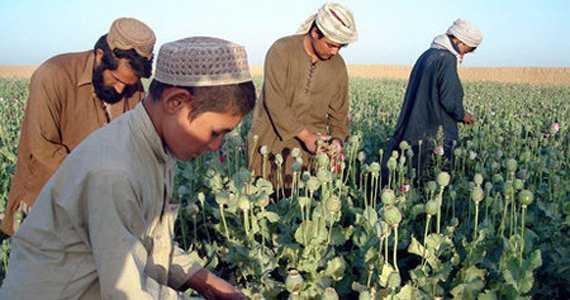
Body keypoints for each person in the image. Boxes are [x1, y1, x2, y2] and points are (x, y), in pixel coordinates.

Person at [0, 36, 255, 299]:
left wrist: (209, 283)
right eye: (215, 132)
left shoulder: (156, 145)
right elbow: (127, 292)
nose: (216, 146)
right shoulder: (114, 171)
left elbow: (155, 243)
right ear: (176, 102)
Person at [1, 17, 156, 235]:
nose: (121, 90)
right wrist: (96, 183)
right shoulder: (53, 75)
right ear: (100, 57)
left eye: (128, 83)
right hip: (46, 205)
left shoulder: (134, 87)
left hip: (100, 210)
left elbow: (135, 144)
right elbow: (43, 147)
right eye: (115, 79)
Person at [247, 2, 358, 188]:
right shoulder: (281, 51)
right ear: (315, 32)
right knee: (265, 202)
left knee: (301, 207)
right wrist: (306, 136)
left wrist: (338, 140)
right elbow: (275, 102)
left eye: (341, 47)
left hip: (310, 151)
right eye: (331, 45)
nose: (335, 52)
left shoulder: (338, 66)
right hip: (270, 143)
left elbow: (340, 113)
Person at [385, 18, 482, 180]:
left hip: (414, 124)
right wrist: (462, 114)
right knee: (432, 173)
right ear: (459, 40)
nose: (465, 55)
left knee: (409, 171)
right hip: (433, 127)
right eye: (467, 50)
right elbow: (449, 98)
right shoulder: (447, 58)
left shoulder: (427, 55)